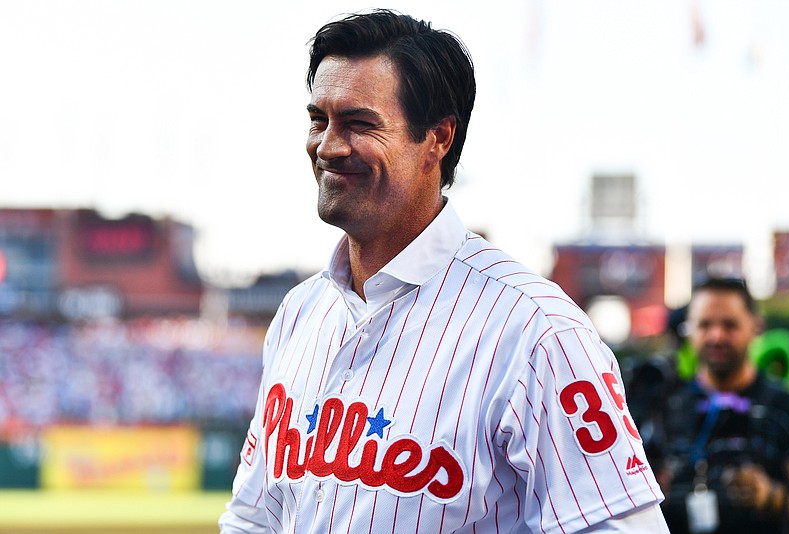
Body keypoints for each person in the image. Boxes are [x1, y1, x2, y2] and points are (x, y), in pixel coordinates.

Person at [219, 9, 668, 533]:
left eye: (359, 124)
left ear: (438, 138)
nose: (328, 146)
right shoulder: (300, 313)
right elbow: (254, 518)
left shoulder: (538, 330)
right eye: (320, 119)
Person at [654, 277, 789, 533]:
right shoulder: (663, 408)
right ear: (688, 329)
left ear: (756, 326)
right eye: (704, 325)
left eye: (729, 325)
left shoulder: (787, 409)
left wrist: (771, 497)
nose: (716, 336)